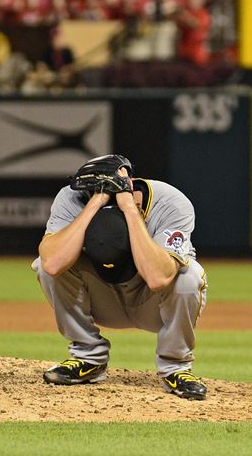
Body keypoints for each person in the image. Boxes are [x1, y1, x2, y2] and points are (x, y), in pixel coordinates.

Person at [33, 154, 208, 400]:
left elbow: (158, 278)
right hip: (103, 297)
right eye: (91, 189)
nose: (92, 192)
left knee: (189, 276)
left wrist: (127, 207)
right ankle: (88, 358)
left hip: (152, 301)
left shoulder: (170, 202)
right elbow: (52, 264)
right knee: (44, 264)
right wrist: (95, 203)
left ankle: (175, 368)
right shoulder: (73, 197)